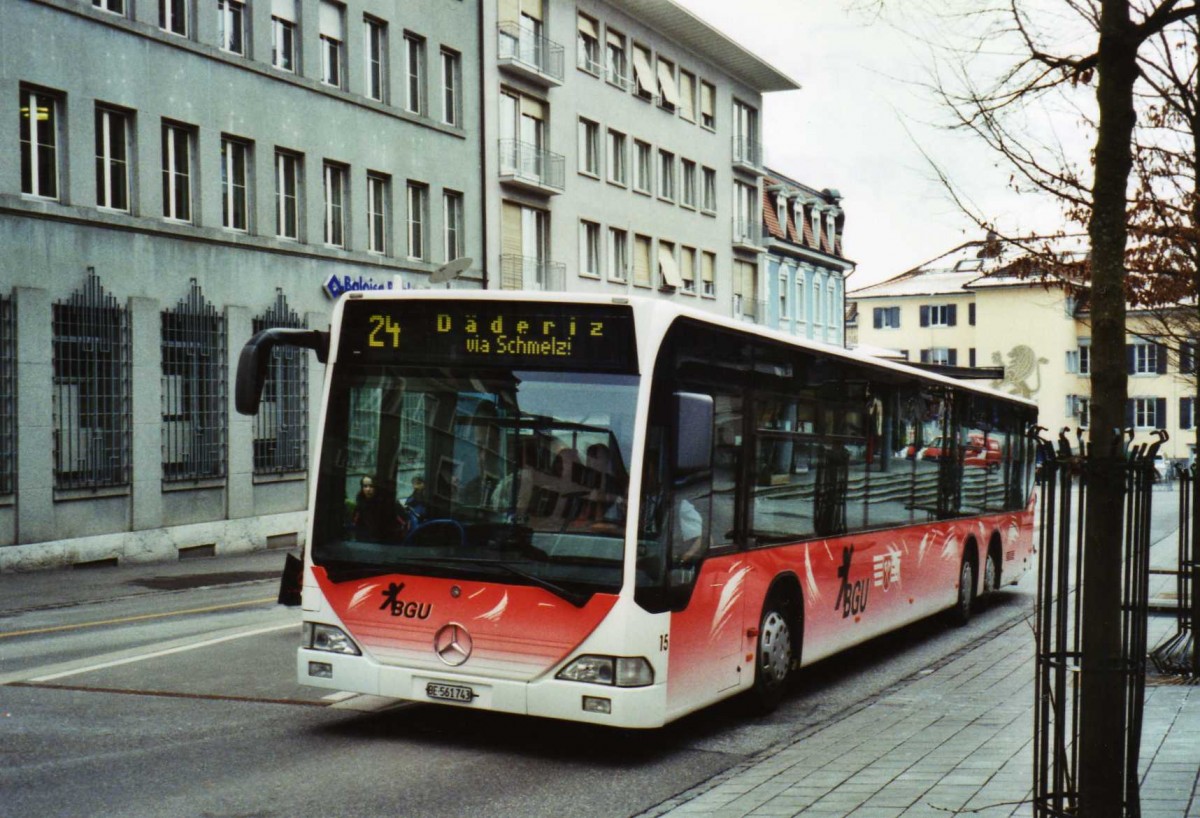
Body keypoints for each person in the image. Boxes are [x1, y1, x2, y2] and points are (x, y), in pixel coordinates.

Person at [352, 475, 396, 541]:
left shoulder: (386, 505)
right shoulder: (360, 505)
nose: (368, 489)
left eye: (371, 486)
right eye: (365, 486)